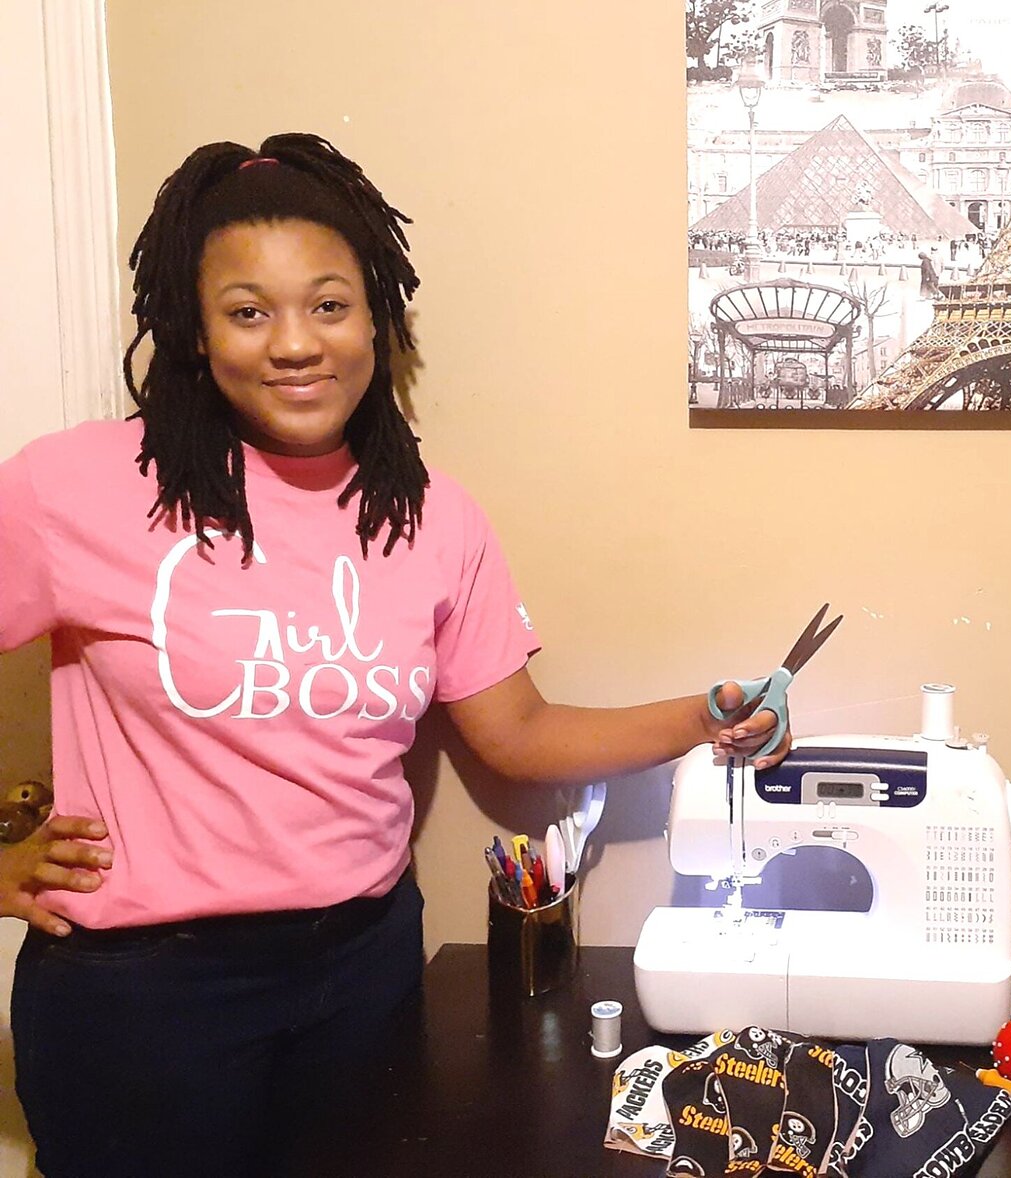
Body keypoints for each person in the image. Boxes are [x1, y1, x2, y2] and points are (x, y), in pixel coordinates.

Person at [0, 133, 788, 1177]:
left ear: (375, 315)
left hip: (361, 970)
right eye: (248, 311)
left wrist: (706, 716)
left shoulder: (432, 517)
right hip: (142, 1000)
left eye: (328, 304)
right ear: (193, 330)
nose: (296, 343)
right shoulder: (73, 487)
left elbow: (519, 732)